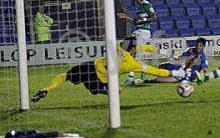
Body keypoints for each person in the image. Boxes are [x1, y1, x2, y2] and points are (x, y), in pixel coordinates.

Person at [31, 37, 188, 102]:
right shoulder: (133, 64)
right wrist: (175, 73)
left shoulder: (120, 47)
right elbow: (156, 71)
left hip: (90, 66)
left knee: (65, 75)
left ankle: (46, 89)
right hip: (100, 80)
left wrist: (161, 52)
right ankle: (107, 90)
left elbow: (143, 47)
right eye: (135, 48)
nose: (137, 49)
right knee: (116, 92)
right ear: (132, 49)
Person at [117, 0, 157, 85]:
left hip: (143, 32)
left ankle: (132, 77)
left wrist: (143, 19)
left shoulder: (147, 5)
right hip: (139, 31)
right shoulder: (139, 7)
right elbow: (136, 22)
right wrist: (125, 17)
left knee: (130, 50)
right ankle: (139, 74)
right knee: (133, 53)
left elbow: (154, 17)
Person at [141, 38, 209, 84]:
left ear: (203, 46)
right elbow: (180, 58)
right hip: (179, 68)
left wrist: (205, 77)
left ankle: (146, 80)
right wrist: (180, 57)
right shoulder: (190, 50)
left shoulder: (203, 57)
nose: (198, 47)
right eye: (197, 45)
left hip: (185, 75)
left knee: (159, 80)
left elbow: (205, 69)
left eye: (200, 46)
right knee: (163, 66)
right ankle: (145, 71)